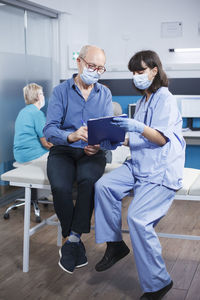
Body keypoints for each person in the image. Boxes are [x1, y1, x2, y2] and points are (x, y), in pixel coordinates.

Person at [94, 50, 185, 300]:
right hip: (139, 165)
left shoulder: (165, 98)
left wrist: (137, 127)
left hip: (159, 170)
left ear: (154, 70)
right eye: (133, 73)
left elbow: (160, 137)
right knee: (103, 186)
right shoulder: (145, 100)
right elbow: (137, 138)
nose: (136, 77)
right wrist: (114, 140)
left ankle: (159, 283)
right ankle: (115, 245)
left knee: (137, 218)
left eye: (141, 71)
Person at [43, 45, 114, 274]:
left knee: (88, 182)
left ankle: (72, 239)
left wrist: (98, 144)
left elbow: (109, 132)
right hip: (63, 149)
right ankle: (73, 239)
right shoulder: (61, 91)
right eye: (92, 66)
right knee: (60, 186)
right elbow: (49, 129)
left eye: (100, 68)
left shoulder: (104, 93)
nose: (95, 71)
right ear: (79, 62)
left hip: (91, 152)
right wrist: (70, 136)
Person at [14, 83, 53, 164]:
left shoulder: (23, 111)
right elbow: (46, 143)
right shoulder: (37, 113)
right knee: (62, 158)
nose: (43, 97)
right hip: (32, 155)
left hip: (19, 155)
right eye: (42, 94)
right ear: (38, 96)